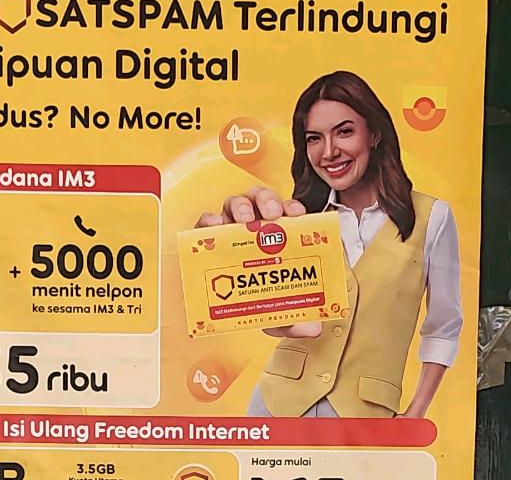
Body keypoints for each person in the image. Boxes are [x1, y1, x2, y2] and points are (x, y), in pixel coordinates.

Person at [197, 70, 463, 420]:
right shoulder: (297, 219)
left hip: (367, 415)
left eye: (344, 132)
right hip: (277, 405)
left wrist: (416, 413)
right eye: (314, 139)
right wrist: (220, 248)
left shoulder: (432, 217)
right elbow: (270, 315)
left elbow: (443, 326)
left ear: (374, 134)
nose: (329, 152)